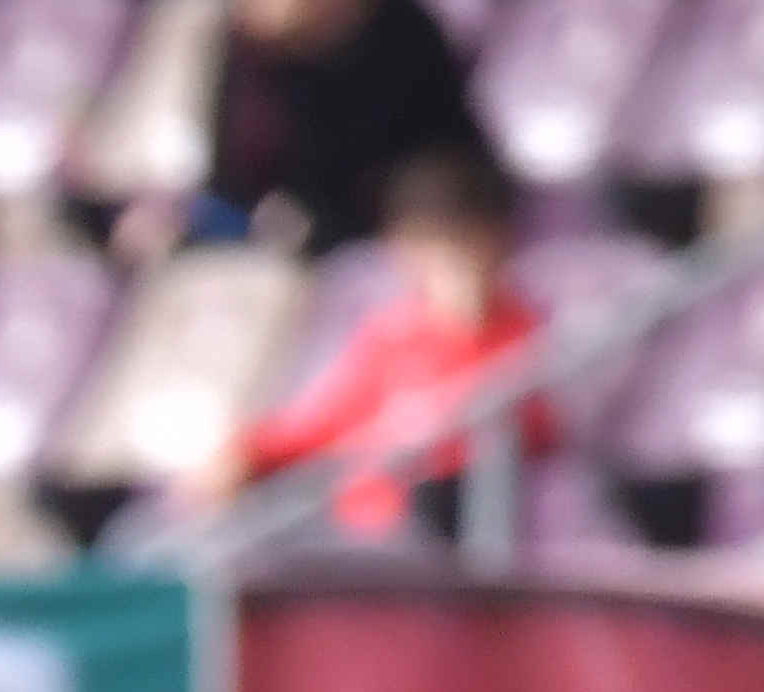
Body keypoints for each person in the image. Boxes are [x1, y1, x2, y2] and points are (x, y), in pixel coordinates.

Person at [196, 143, 549, 535]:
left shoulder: (530, 338)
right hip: (352, 537)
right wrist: (246, 453)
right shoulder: (391, 337)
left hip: (437, 536)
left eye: (466, 244)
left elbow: (532, 437)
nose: (452, 266)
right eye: (435, 247)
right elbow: (315, 428)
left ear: (500, 244)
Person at [201, 0, 489, 258]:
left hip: (405, 221)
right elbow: (232, 182)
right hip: (277, 238)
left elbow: (447, 151)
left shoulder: (404, 33)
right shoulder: (250, 64)